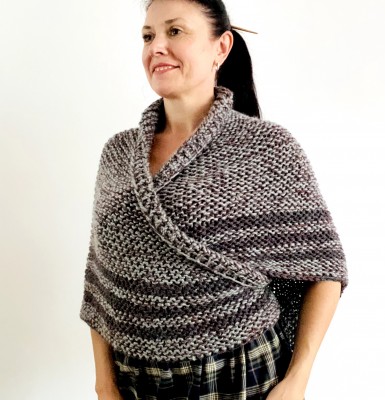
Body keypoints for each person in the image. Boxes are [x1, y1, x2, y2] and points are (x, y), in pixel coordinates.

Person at [79, 0, 348, 399]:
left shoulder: (267, 147)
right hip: (135, 377)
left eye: (175, 31)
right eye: (148, 36)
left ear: (220, 47)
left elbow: (323, 268)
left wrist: (298, 378)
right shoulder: (118, 153)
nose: (156, 47)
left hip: (237, 371)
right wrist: (103, 382)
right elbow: (102, 283)